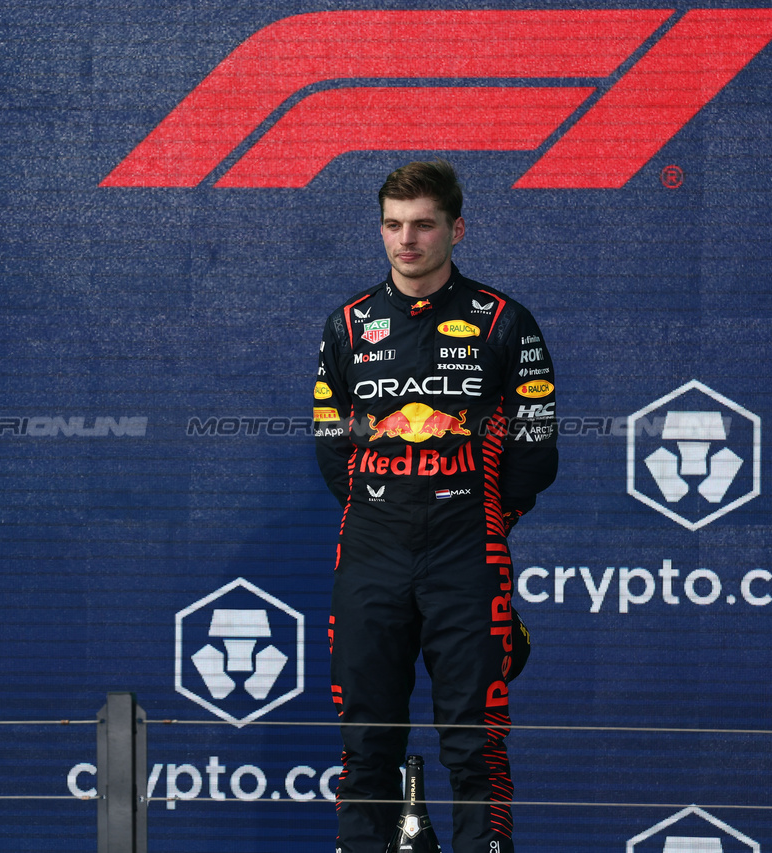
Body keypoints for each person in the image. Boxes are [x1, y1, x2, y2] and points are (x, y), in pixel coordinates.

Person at [314, 161, 557, 853]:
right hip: (370, 550)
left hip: (466, 552)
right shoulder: (348, 324)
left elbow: (536, 451)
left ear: (456, 228)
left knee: (474, 743)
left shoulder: (505, 322)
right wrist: (388, 505)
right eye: (393, 225)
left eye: (423, 224)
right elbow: (334, 449)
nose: (407, 240)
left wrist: (476, 516)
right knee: (365, 741)